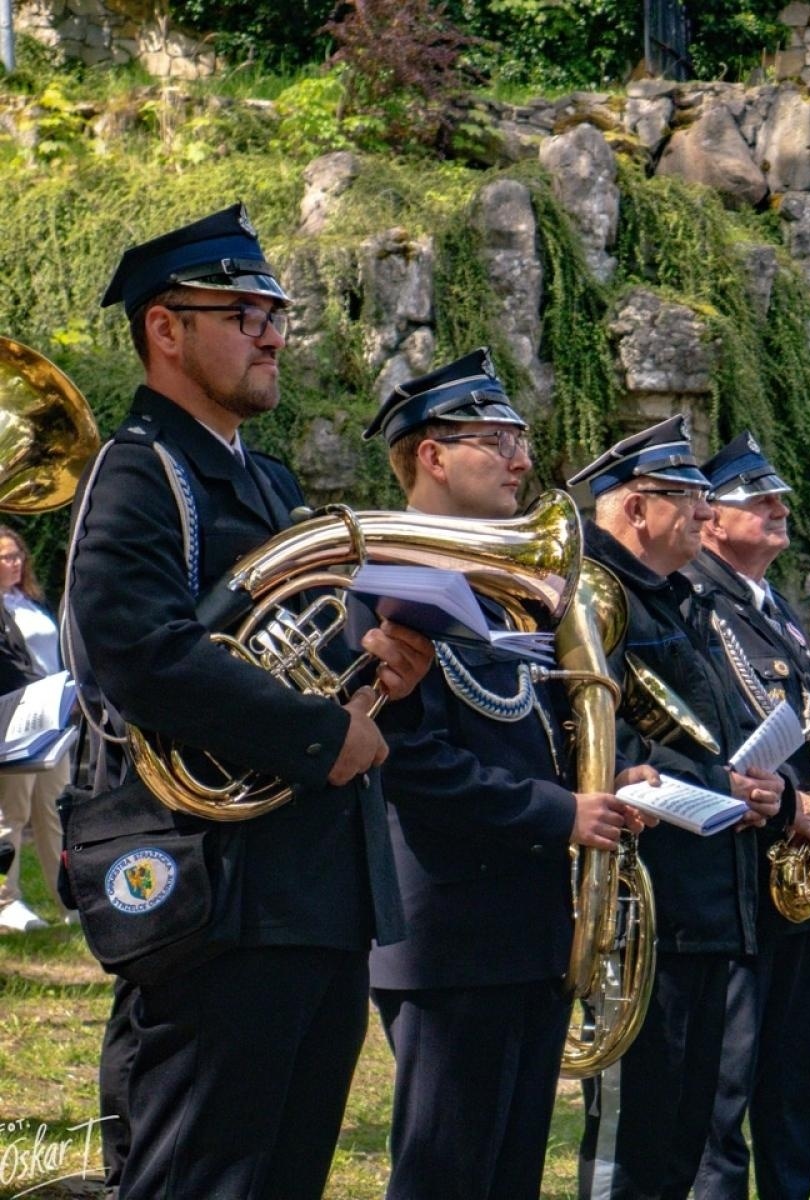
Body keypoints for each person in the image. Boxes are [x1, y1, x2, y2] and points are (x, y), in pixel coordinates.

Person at [63, 203, 432, 1200]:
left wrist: (374, 668)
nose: (272, 329)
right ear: (165, 328)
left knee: (281, 1174)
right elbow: (139, 653)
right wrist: (321, 733)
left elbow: (296, 646)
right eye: (241, 310)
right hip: (215, 898)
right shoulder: (142, 472)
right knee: (198, 1175)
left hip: (309, 894)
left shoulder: (264, 481)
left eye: (275, 309)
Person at [360, 348, 657, 1200]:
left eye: (521, 440)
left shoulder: (505, 589)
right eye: (498, 440)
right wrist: (558, 812)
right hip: (449, 928)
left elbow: (532, 732)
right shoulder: (378, 580)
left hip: (530, 924)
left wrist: (605, 782)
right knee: (447, 1171)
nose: (524, 462)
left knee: (511, 1173)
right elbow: (406, 761)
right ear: (432, 454)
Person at [568, 415, 787, 1200]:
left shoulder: (675, 599)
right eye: (688, 495)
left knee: (688, 1142)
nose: (705, 511)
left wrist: (755, 790)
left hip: (706, 906)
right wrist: (706, 787)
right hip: (641, 913)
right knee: (631, 1150)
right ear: (634, 507)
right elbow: (594, 743)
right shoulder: (595, 596)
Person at [683, 432, 810, 1200]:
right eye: (758, 501)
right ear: (709, 517)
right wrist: (788, 811)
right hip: (737, 871)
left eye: (780, 498)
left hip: (795, 876)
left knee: (794, 1079)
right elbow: (709, 735)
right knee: (728, 1081)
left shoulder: (775, 607)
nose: (779, 510)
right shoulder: (694, 602)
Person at [0, 525, 68, 932]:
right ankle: (5, 902)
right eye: (5, 556)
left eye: (18, 555)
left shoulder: (29, 603)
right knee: (11, 813)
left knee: (55, 811)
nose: (15, 562)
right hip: (14, 717)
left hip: (52, 716)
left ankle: (67, 901)